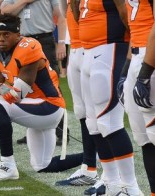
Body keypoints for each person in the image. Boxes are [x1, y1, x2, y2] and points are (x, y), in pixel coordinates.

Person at [0, 14, 83, 182]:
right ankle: (95, 154)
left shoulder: (29, 48)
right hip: (33, 109)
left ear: (18, 34)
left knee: (1, 107)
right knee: (42, 166)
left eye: (6, 34)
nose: (1, 39)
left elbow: (16, 96)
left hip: (49, 107)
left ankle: (7, 165)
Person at [71, 0, 143, 194]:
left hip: (110, 50)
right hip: (89, 52)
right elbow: (78, 16)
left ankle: (130, 187)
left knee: (109, 122)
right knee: (93, 124)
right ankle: (111, 182)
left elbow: (125, 15)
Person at [0, 0, 69, 146]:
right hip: (22, 42)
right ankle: (33, 129)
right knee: (25, 86)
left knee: (52, 86)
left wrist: (61, 42)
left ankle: (62, 132)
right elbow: (4, 12)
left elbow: (61, 17)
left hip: (44, 39)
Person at [55, 0, 99, 189]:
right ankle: (89, 166)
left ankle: (112, 174)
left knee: (101, 115)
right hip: (77, 45)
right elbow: (66, 10)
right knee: (81, 110)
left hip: (97, 46)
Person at [129, 0, 155, 194]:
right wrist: (124, 73)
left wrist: (145, 73)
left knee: (153, 133)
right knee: (142, 137)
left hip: (150, 58)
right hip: (136, 56)